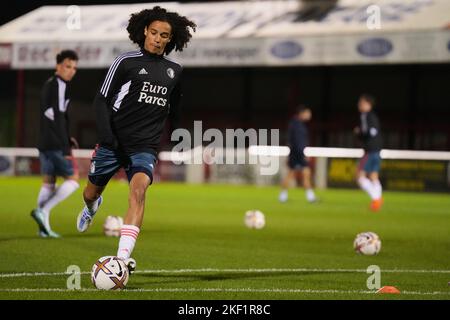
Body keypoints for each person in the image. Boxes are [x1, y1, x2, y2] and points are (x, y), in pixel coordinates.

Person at [76, 6, 196, 273]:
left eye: (164, 35)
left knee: (138, 192)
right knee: (90, 191)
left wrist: (177, 135)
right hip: (114, 142)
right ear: (144, 31)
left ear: (170, 39)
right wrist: (107, 136)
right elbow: (101, 100)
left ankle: (121, 259)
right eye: (153, 32)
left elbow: (174, 107)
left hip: (145, 146)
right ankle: (92, 207)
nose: (157, 38)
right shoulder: (126, 61)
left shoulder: (174, 70)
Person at [31, 50, 80, 238]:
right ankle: (43, 211)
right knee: (73, 180)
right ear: (57, 66)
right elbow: (57, 117)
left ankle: (42, 228)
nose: (72, 71)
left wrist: (67, 137)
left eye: (74, 68)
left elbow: (52, 116)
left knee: (49, 181)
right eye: (68, 66)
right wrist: (65, 146)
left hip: (44, 141)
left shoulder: (49, 85)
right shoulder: (58, 85)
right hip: (54, 144)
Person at [279, 105, 317, 203]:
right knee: (294, 174)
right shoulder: (298, 125)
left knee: (303, 174)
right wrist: (303, 153)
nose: (309, 115)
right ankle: (283, 196)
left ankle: (310, 196)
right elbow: (298, 141)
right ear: (302, 113)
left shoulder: (295, 123)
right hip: (297, 153)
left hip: (295, 153)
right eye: (308, 113)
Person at [354, 94, 383, 211]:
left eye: (361, 103)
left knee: (359, 177)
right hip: (377, 149)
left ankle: (376, 198)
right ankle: (378, 199)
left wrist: (359, 132)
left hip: (370, 150)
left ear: (368, 104)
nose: (359, 105)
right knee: (373, 176)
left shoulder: (365, 116)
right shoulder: (373, 117)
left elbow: (370, 132)